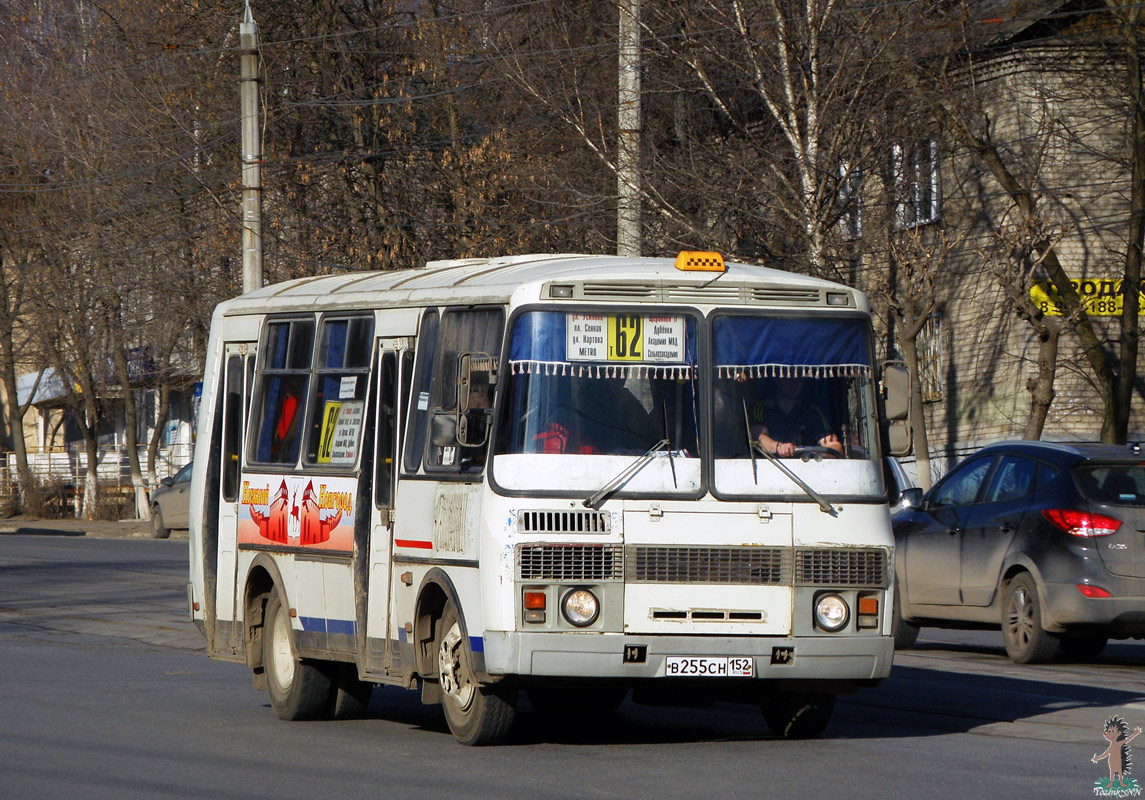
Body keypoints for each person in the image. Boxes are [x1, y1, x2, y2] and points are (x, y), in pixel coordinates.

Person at [748, 377, 843, 457]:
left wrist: (822, 455)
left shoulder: (812, 412)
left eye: (799, 379)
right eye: (788, 378)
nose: (794, 383)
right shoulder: (762, 408)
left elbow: (834, 446)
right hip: (771, 470)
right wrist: (779, 447)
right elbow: (758, 438)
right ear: (777, 380)